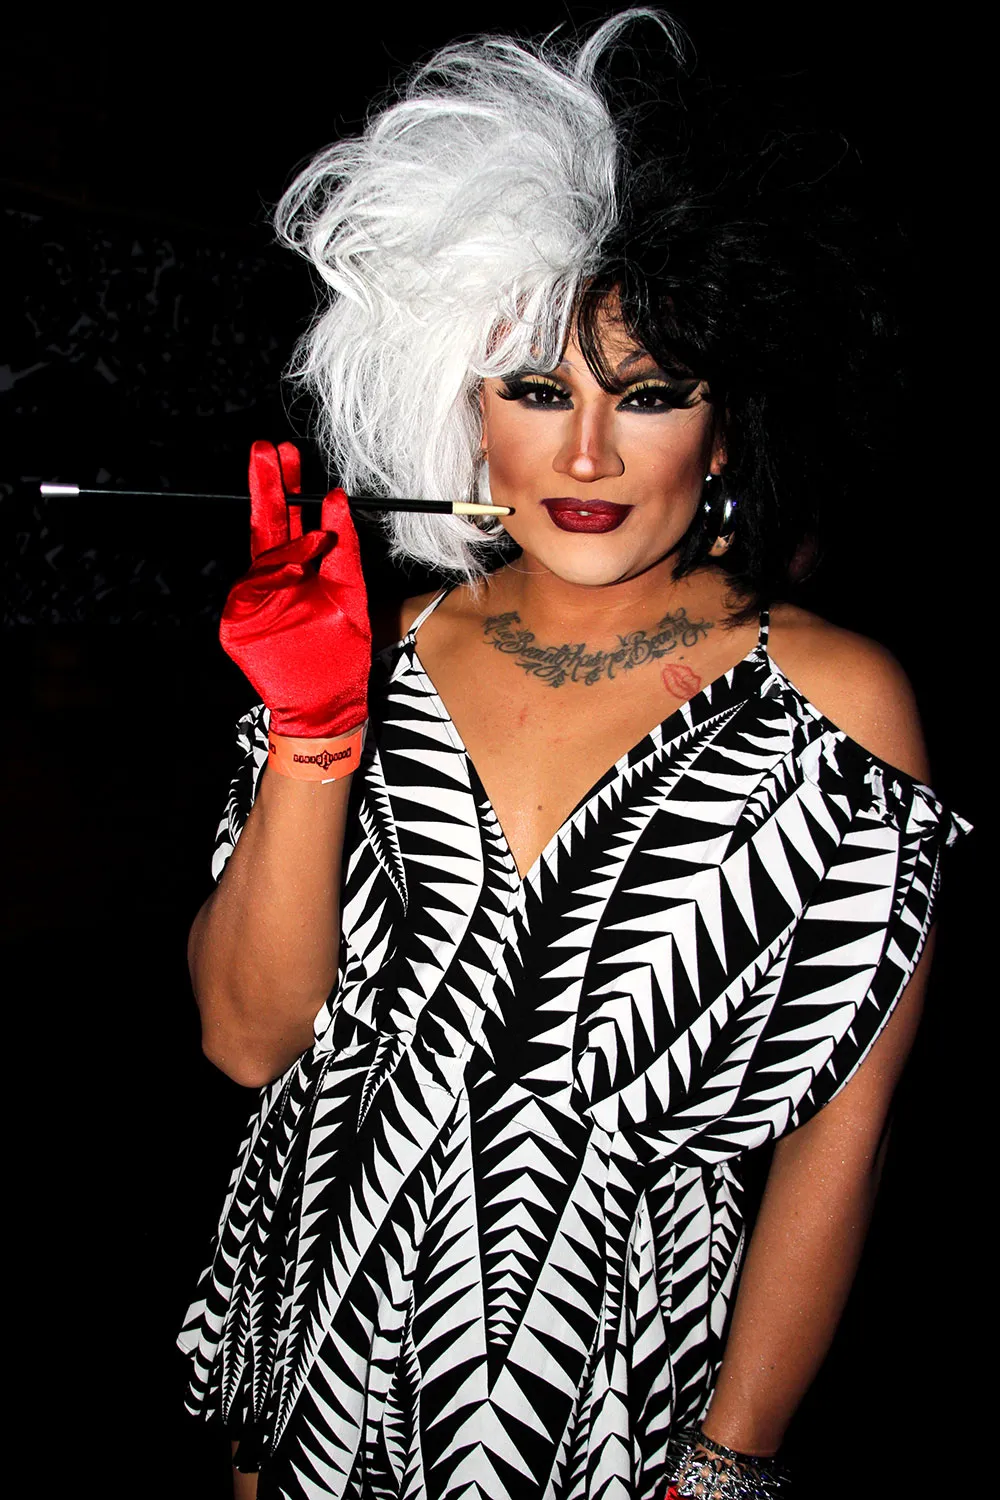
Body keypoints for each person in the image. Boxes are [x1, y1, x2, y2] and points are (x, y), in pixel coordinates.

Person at [177, 13, 968, 1498]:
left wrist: (732, 1462)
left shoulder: (837, 705)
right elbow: (246, 1041)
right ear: (466, 411)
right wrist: (312, 731)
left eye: (649, 393)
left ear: (724, 430)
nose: (587, 454)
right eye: (537, 390)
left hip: (602, 1403)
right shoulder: (367, 652)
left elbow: (840, 1140)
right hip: (312, 1376)